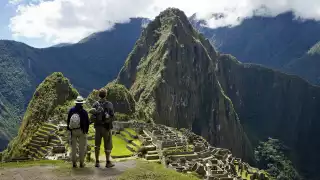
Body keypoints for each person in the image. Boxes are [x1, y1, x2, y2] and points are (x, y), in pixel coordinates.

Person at [89, 89, 115, 168]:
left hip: (97, 128)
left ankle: (97, 162)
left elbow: (92, 117)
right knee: (107, 144)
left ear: (99, 95)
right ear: (106, 95)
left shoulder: (95, 104)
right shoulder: (109, 104)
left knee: (97, 145)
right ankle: (108, 162)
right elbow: (112, 116)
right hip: (106, 128)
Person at [67, 95, 90, 168]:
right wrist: (86, 131)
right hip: (81, 131)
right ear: (82, 103)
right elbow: (87, 122)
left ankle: (74, 163)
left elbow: (68, 121)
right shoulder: (84, 112)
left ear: (76, 103)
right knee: (81, 147)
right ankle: (81, 163)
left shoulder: (71, 110)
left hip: (73, 131)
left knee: (73, 147)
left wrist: (70, 129)